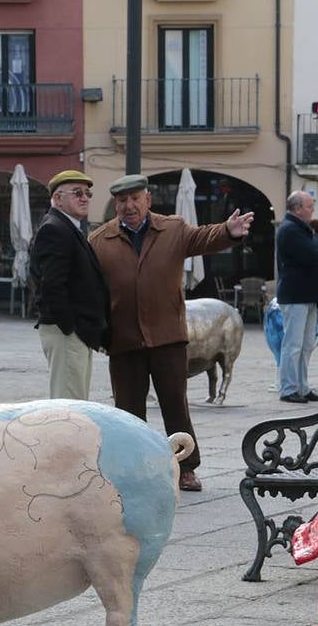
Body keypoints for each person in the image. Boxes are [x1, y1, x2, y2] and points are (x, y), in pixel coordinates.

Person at [89, 174, 254, 493]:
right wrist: (97, 332)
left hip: (168, 338)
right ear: (116, 205)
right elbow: (88, 287)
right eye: (122, 201)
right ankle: (132, 472)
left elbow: (203, 237)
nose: (129, 206)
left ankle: (186, 468)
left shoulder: (172, 229)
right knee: (128, 412)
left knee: (175, 406)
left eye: (135, 199)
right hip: (124, 340)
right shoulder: (99, 240)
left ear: (147, 200)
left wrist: (228, 231)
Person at [30, 170, 110, 399]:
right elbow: (52, 285)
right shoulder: (55, 228)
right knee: (68, 405)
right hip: (67, 333)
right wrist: (70, 327)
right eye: (77, 193)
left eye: (87, 193)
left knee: (76, 402)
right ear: (57, 199)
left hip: (74, 333)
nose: (85, 198)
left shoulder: (67, 227)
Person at [274, 191, 318, 403]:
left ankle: (302, 387)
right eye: (309, 206)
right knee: (293, 345)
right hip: (295, 295)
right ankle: (288, 389)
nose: (313, 209)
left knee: (306, 345)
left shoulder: (299, 229)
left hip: (306, 295)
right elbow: (312, 256)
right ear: (297, 209)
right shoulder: (290, 230)